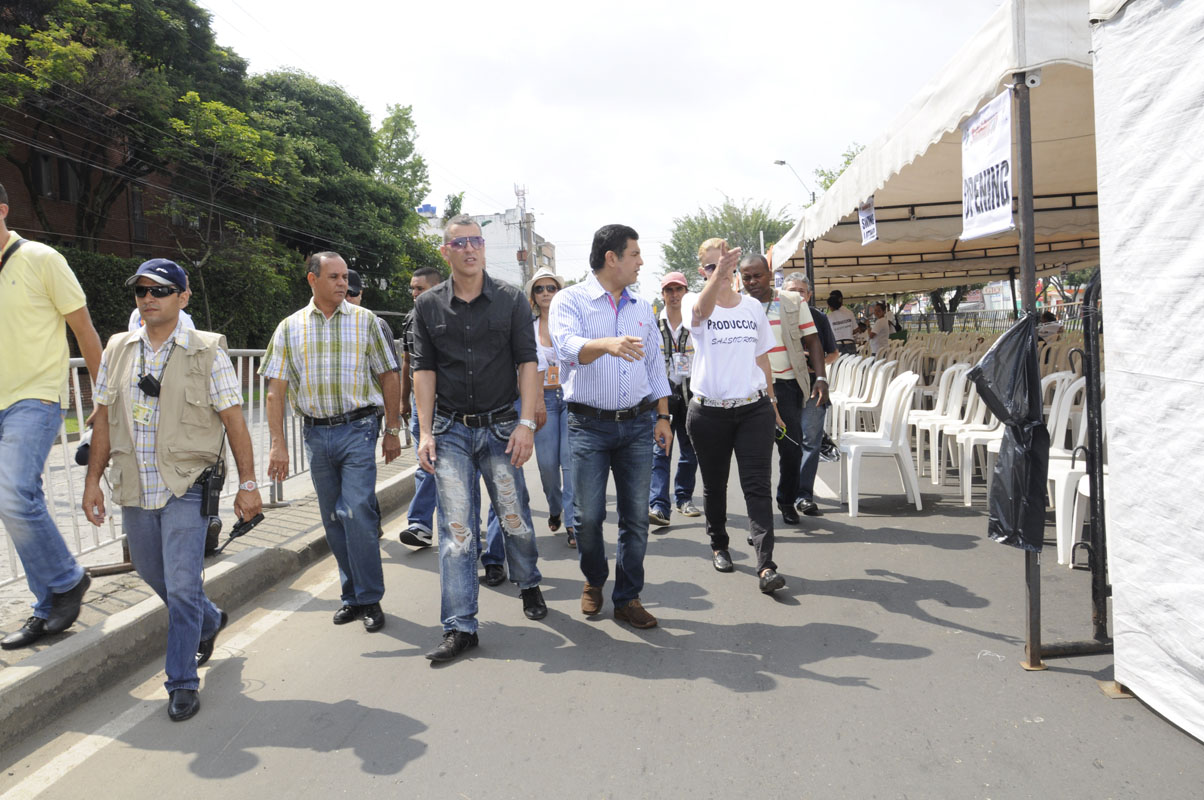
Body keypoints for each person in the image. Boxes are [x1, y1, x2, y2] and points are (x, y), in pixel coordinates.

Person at [82, 258, 262, 722]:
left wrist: (248, 484)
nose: (148, 298)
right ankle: (210, 618)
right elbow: (103, 420)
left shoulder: (208, 351)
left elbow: (235, 422)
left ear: (183, 297)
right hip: (135, 486)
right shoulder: (118, 348)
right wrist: (91, 482)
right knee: (149, 569)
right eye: (141, 290)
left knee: (182, 586)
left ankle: (181, 681)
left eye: (159, 290)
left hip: (187, 485)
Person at [412, 214, 546, 664]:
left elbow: (528, 363)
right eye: (460, 243)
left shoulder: (510, 299)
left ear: (484, 248)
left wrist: (526, 423)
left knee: (513, 516)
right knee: (457, 531)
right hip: (450, 431)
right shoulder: (428, 306)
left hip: (502, 427)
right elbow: (423, 371)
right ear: (445, 251)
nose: (469, 249)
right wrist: (424, 432)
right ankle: (460, 626)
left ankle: (528, 582)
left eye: (476, 241)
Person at [261, 252, 402, 634]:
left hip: (358, 429)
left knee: (355, 511)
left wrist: (392, 430)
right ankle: (351, 596)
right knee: (333, 518)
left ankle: (370, 597)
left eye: (345, 277)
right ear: (312, 279)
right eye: (334, 277)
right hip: (315, 434)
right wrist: (278, 444)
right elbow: (275, 390)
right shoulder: (289, 328)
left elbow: (389, 375)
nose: (343, 283)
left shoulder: (365, 321)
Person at [548, 223, 672, 629]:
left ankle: (627, 597)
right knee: (587, 517)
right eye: (634, 254)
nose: (641, 262)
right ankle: (595, 578)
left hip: (637, 425)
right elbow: (566, 348)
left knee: (636, 518)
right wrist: (607, 344)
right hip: (588, 425)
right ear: (611, 258)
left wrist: (663, 416)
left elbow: (654, 365)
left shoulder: (641, 307)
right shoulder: (570, 300)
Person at [0, 182, 102, 650]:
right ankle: (48, 604)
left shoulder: (42, 258)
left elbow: (84, 330)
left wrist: (103, 401)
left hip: (35, 397)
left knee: (14, 494)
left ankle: (66, 581)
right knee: (15, 502)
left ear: (3, 210)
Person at [687, 243, 786, 593]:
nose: (721, 271)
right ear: (702, 272)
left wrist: (773, 405)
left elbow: (762, 359)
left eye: (726, 264)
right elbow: (700, 311)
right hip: (709, 413)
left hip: (753, 410)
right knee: (715, 485)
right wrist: (717, 277)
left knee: (757, 486)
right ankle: (719, 544)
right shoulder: (695, 302)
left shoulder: (752, 308)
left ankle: (766, 565)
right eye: (712, 266)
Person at [738, 255, 829, 527]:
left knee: (791, 450)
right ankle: (759, 515)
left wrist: (820, 377)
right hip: (752, 389)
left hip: (787, 387)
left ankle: (787, 501)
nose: (752, 282)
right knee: (757, 456)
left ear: (770, 274)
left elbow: (812, 339)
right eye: (746, 277)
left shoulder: (792, 301)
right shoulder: (737, 304)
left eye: (757, 276)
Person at [345, 268, 401, 539]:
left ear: (361, 294)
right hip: (334, 417)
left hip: (368, 413)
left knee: (360, 475)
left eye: (352, 294)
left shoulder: (375, 324)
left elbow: (391, 373)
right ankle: (363, 525)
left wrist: (393, 425)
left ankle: (369, 526)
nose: (348, 298)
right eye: (343, 293)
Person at [524, 267, 576, 547]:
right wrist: (536, 402)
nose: (545, 293)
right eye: (539, 289)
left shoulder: (571, 324)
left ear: (559, 292)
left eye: (551, 288)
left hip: (570, 398)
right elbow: (528, 366)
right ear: (533, 296)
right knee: (546, 465)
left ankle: (572, 522)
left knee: (570, 462)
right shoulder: (527, 328)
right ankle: (555, 507)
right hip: (541, 400)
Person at [782, 275, 839, 517]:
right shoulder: (775, 317)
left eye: (801, 291)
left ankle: (804, 495)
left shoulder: (819, 318)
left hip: (813, 387)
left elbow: (833, 353)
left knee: (811, 441)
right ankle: (786, 495)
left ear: (809, 295)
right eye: (792, 291)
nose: (797, 295)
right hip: (783, 387)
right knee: (788, 442)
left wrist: (817, 364)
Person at [647, 271, 700, 527]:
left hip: (691, 394)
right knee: (661, 451)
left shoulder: (695, 323)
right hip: (662, 396)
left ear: (686, 292)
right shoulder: (652, 325)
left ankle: (684, 498)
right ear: (663, 294)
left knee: (690, 450)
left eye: (679, 289)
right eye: (669, 290)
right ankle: (659, 505)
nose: (674, 295)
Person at [397, 266, 445, 548]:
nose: (414, 293)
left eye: (420, 288)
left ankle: (461, 518)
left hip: (449, 402)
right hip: (419, 403)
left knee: (449, 464)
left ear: (437, 288)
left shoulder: (452, 316)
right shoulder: (410, 319)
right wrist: (404, 400)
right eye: (412, 288)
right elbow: (407, 362)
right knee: (425, 461)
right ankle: (421, 525)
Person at [825, 290, 858, 355]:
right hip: (850, 343)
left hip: (837, 344)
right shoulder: (849, 312)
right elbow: (856, 329)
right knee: (851, 361)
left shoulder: (829, 317)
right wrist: (847, 331)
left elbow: (828, 334)